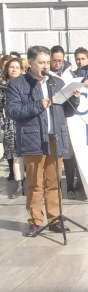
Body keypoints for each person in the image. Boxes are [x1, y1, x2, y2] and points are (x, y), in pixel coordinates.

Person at [6, 45, 81, 237]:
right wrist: (37, 105)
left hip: (55, 138)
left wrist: (75, 99)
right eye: (41, 62)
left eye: (48, 62)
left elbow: (68, 111)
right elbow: (13, 111)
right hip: (33, 140)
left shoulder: (55, 82)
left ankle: (55, 220)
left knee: (54, 182)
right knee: (35, 184)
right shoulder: (18, 84)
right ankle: (35, 221)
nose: (45, 66)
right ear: (30, 63)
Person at [0, 58, 27, 198]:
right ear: (7, 69)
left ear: (22, 69)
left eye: (17, 67)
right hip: (10, 124)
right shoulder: (2, 86)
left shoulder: (26, 84)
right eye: (11, 67)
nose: (14, 69)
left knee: (30, 155)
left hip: (27, 122)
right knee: (16, 157)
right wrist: (3, 124)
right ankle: (19, 185)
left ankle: (34, 184)